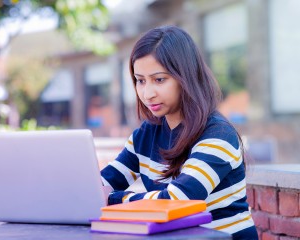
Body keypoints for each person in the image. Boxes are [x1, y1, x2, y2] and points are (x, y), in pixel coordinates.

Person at [101, 25, 258, 239]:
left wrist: (113, 199)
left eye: (159, 79)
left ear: (185, 77)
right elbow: (103, 183)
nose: (147, 93)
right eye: (140, 80)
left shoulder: (218, 134)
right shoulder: (147, 134)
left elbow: (179, 200)